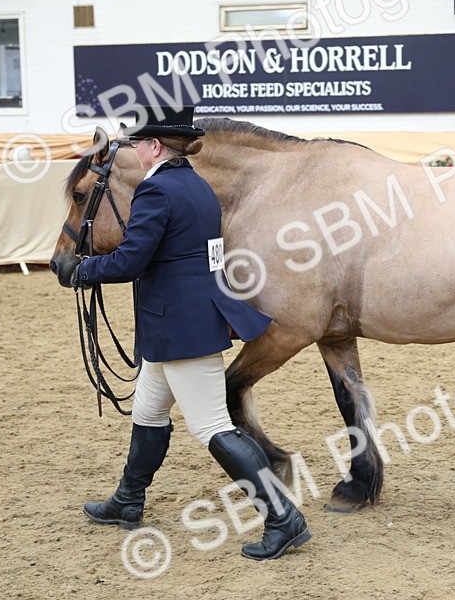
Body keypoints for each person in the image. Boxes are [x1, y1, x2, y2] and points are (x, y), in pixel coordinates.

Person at [58, 106, 310, 561]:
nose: (134, 150)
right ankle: (128, 500)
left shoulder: (155, 191)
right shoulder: (197, 186)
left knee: (212, 425)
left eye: (138, 142)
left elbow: (131, 260)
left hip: (178, 326)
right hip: (178, 320)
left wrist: (83, 269)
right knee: (149, 412)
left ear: (155, 146)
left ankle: (282, 517)